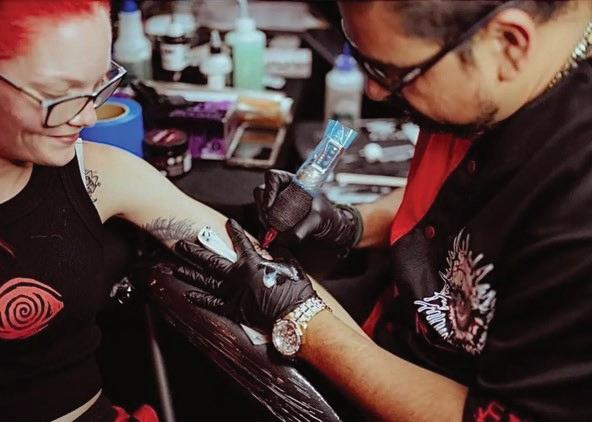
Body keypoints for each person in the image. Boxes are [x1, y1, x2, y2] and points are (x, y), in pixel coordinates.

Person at [174, 1, 592, 421]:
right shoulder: (490, 80)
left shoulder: (577, 199)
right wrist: (351, 224)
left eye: (390, 72)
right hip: (391, 317)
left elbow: (492, 415)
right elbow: (463, 205)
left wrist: (301, 318)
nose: (373, 91)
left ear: (509, 44)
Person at [0, 1, 363, 420]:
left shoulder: (98, 174)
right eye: (60, 94)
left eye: (99, 85)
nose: (89, 116)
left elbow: (270, 274)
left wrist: (379, 383)